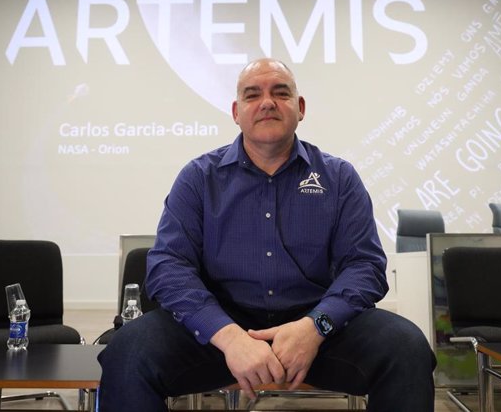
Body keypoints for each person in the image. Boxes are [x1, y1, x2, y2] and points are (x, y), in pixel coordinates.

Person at [97, 58, 436, 411]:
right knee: (128, 352)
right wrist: (229, 338)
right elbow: (168, 267)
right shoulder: (198, 178)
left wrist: (314, 327)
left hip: (320, 329)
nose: (267, 102)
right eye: (252, 94)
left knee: (406, 348)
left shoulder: (339, 179)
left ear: (300, 108)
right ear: (236, 111)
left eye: (280, 92)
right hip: (218, 332)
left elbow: (364, 267)